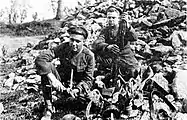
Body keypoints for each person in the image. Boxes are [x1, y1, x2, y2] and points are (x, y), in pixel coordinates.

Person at [35, 26, 95, 120]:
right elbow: (41, 58)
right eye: (72, 40)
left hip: (77, 89)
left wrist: (77, 89)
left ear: (84, 42)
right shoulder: (64, 47)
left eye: (78, 41)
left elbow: (88, 80)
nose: (74, 44)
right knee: (47, 68)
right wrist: (53, 80)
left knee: (88, 102)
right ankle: (49, 108)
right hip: (61, 84)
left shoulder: (89, 56)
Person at [92, 5, 139, 83]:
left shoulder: (124, 28)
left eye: (113, 18)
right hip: (112, 56)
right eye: (109, 18)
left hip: (125, 56)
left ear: (118, 18)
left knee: (133, 72)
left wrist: (128, 26)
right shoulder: (106, 30)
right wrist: (107, 47)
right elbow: (97, 43)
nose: (111, 20)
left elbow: (134, 38)